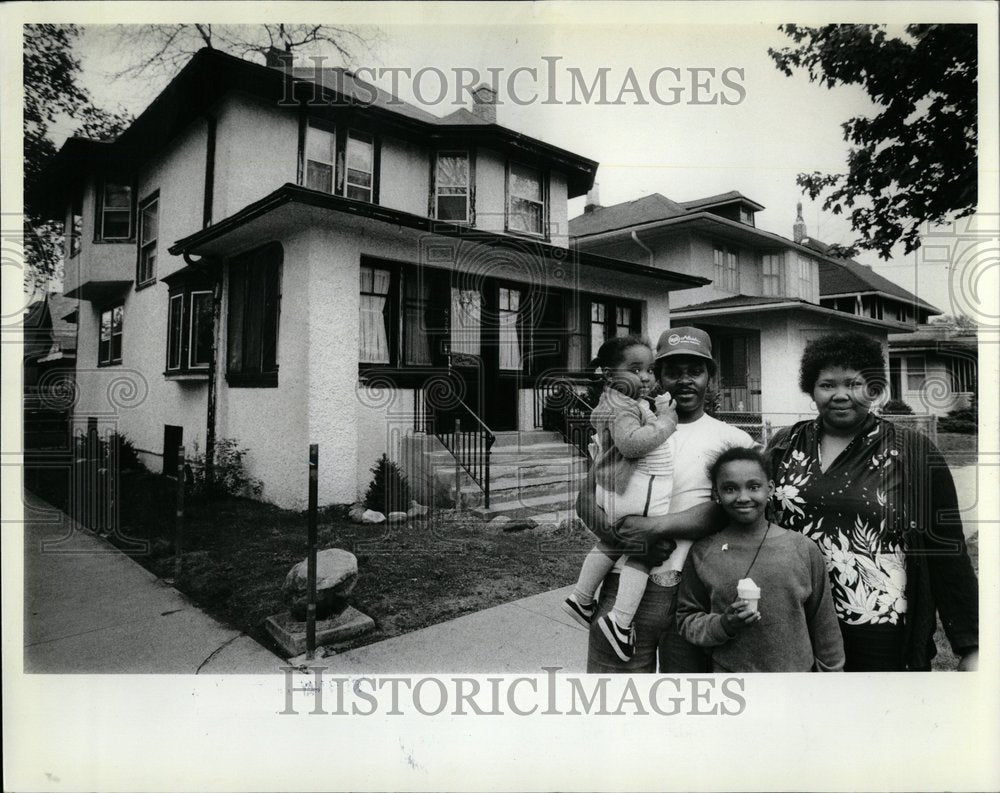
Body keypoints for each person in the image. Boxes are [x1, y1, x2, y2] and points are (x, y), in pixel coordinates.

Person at [764, 332, 979, 671]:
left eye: (854, 384)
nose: (840, 395)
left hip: (879, 625)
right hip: (794, 617)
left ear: (874, 389)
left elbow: (946, 549)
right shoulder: (784, 446)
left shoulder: (913, 451)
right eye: (827, 385)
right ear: (811, 389)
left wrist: (971, 645)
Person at [576, 326, 756, 673]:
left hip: (693, 591)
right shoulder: (631, 426)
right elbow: (586, 501)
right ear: (656, 376)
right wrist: (625, 539)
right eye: (673, 371)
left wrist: (654, 527)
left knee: (685, 707)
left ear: (710, 378)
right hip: (623, 585)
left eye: (696, 371)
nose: (685, 380)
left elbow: (725, 512)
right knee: (615, 703)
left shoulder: (732, 439)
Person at [676, 447, 845, 672]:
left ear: (770, 489)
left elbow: (824, 624)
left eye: (754, 487)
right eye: (729, 489)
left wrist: (833, 677)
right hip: (732, 684)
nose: (743, 497)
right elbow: (687, 620)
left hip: (794, 681)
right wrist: (723, 624)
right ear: (716, 494)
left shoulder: (802, 548)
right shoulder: (703, 552)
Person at [562, 335, 678, 662]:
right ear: (611, 374)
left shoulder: (618, 402)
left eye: (650, 370)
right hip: (633, 489)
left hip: (616, 488)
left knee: (615, 543)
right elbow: (631, 445)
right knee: (645, 546)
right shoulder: (622, 406)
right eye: (635, 369)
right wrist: (668, 419)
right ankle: (621, 620)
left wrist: (655, 412)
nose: (645, 377)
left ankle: (582, 597)